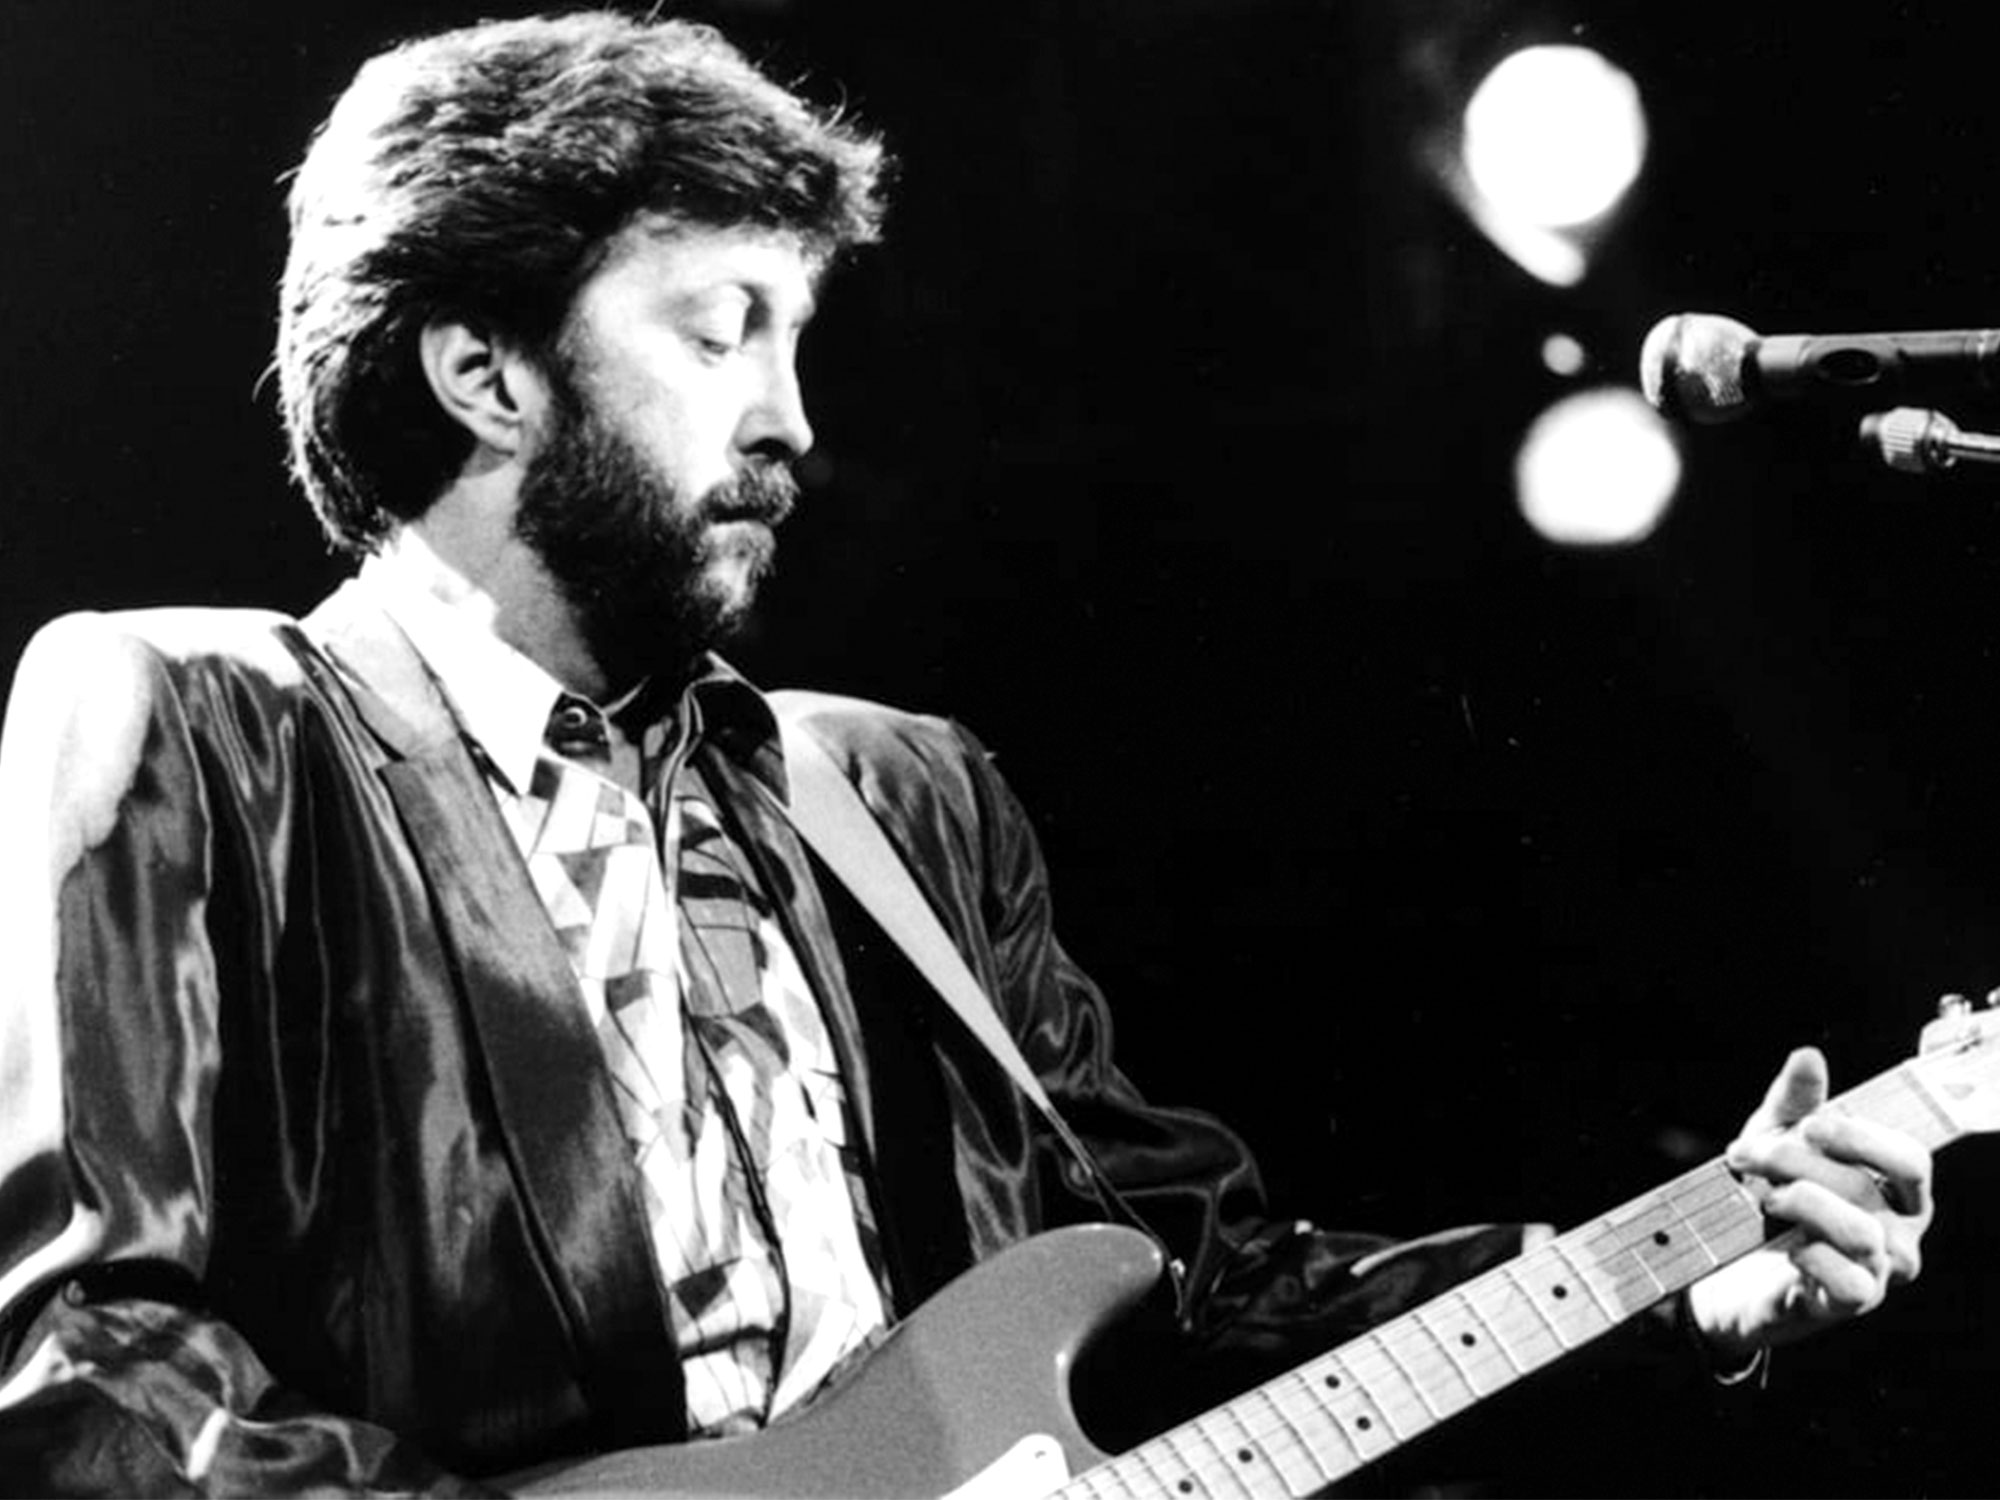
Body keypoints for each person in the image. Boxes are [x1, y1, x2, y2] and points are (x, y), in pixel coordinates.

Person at [0, 9, 1932, 1496]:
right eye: (721, 331)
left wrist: (1687, 1278)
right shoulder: (200, 725)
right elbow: (90, 1372)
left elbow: (1201, 1286)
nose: (792, 420)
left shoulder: (894, 795)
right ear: (484, 373)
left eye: (798, 337)